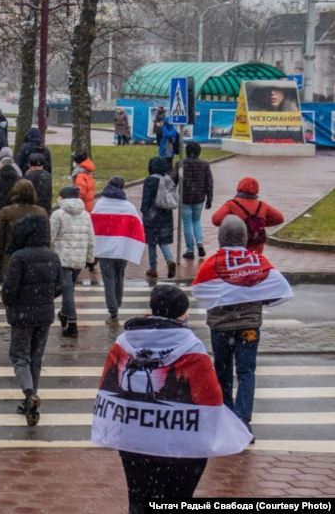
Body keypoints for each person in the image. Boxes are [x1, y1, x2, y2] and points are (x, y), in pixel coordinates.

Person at [91, 285, 252, 513]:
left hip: (136, 438)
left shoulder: (125, 342)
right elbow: (211, 397)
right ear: (181, 313)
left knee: (140, 498)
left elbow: (109, 386)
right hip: (182, 444)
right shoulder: (191, 346)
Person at [192, 216, 293, 443]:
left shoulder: (213, 263)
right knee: (246, 372)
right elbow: (280, 290)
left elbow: (199, 291)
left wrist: (223, 298)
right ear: (245, 238)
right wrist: (257, 299)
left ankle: (226, 418)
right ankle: (243, 420)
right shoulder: (258, 261)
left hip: (221, 328)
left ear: (220, 238)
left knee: (223, 370)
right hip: (249, 327)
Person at [2, 213, 63, 426]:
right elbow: (60, 285)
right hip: (44, 314)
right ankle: (32, 398)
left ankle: (29, 394)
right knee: (36, 357)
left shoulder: (19, 257)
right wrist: (45, 298)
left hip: (22, 314)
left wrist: (11, 302)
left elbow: (10, 289)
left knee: (20, 356)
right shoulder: (52, 256)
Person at [92, 176, 146, 325]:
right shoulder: (128, 207)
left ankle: (113, 311)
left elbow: (93, 226)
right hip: (122, 249)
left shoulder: (100, 204)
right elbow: (138, 228)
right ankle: (117, 303)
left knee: (108, 281)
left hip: (104, 250)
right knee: (119, 278)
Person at [50, 187, 95, 338]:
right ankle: (64, 314)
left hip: (62, 258)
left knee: (67, 291)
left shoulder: (57, 214)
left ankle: (72, 323)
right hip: (79, 258)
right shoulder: (86, 215)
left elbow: (50, 236)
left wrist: (47, 254)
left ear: (62, 198)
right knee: (68, 289)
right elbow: (91, 238)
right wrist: (90, 259)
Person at [211, 176, 284, 255]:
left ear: (239, 187)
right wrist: (259, 223)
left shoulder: (231, 204)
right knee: (255, 261)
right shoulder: (262, 205)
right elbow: (279, 218)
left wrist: (232, 223)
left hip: (237, 242)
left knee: (238, 261)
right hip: (256, 242)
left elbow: (216, 220)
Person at [0, 179, 48, 278]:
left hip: (11, 258)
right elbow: (46, 238)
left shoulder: (6, 211)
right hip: (35, 260)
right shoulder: (41, 212)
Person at [141, 156, 176, 279]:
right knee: (163, 241)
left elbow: (146, 199)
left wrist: (144, 212)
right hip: (166, 214)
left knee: (152, 243)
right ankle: (170, 260)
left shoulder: (149, 180)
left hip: (152, 215)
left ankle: (153, 268)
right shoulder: (168, 179)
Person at [180, 142, 213, 259]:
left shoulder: (181, 164)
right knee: (196, 221)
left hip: (185, 198)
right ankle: (200, 243)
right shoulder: (205, 165)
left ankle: (190, 250)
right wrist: (209, 198)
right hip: (199, 198)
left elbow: (175, 179)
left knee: (187, 223)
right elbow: (209, 182)